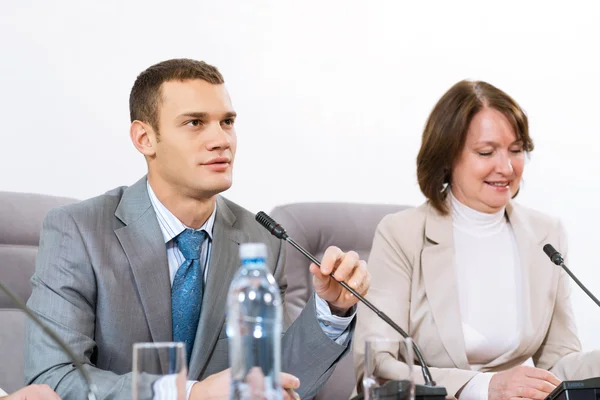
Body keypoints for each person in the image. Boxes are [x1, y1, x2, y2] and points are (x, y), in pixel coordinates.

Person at [24, 58, 370, 400]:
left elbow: (272, 382)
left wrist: (332, 310)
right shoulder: (78, 231)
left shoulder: (261, 239)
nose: (221, 140)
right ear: (144, 138)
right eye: (195, 123)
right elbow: (54, 375)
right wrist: (189, 394)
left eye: (227, 122)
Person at [353, 80, 600, 400]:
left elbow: (557, 366)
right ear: (447, 157)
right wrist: (484, 387)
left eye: (516, 150)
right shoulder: (401, 233)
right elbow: (377, 367)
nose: (507, 168)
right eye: (486, 152)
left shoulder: (546, 234)